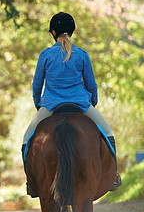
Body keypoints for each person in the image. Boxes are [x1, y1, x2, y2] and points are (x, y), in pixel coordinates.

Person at [22, 12, 121, 195]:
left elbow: (37, 85)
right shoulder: (81, 54)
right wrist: (92, 102)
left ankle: (31, 183)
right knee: (107, 133)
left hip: (51, 107)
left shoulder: (46, 55)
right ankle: (113, 175)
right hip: (81, 105)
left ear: (53, 32)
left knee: (27, 139)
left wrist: (39, 104)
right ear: (72, 31)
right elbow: (91, 84)